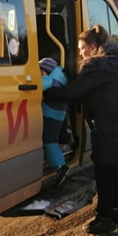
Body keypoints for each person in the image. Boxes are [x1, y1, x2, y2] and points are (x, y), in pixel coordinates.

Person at [43, 24, 118, 234]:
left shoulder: (97, 68)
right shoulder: (110, 67)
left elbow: (72, 94)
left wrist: (44, 90)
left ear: (93, 47)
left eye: (81, 48)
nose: (79, 52)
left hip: (112, 129)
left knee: (104, 174)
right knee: (111, 170)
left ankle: (104, 218)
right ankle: (115, 211)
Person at [39, 57, 70, 185]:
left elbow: (38, 85)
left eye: (40, 71)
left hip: (52, 116)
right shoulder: (59, 77)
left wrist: (44, 76)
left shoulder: (52, 80)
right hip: (55, 115)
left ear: (46, 71)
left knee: (49, 140)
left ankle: (60, 167)